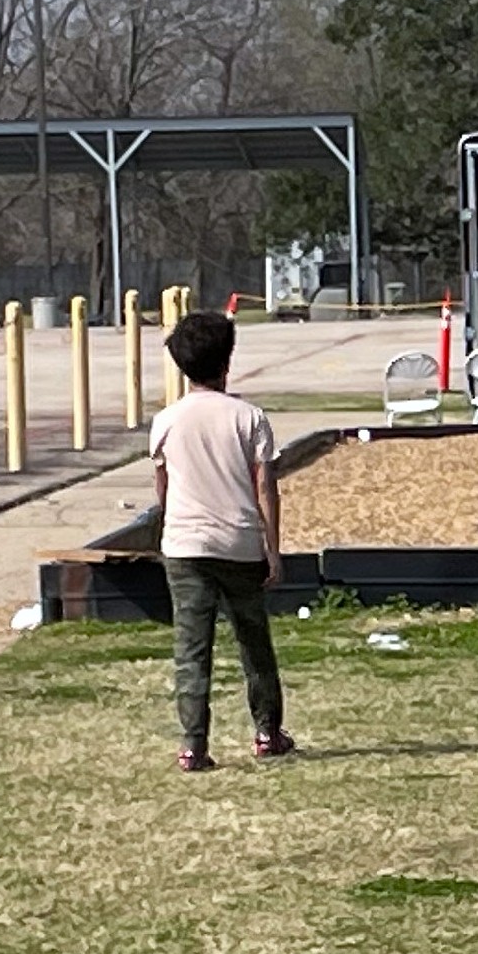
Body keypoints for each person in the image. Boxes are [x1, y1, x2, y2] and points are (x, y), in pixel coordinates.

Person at [150, 312, 292, 773]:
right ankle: (268, 731)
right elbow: (264, 487)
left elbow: (163, 488)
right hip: (239, 542)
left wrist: (168, 528)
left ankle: (193, 744)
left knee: (191, 649)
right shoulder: (249, 418)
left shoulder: (167, 421)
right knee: (253, 641)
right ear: (227, 362)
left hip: (185, 544)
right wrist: (273, 549)